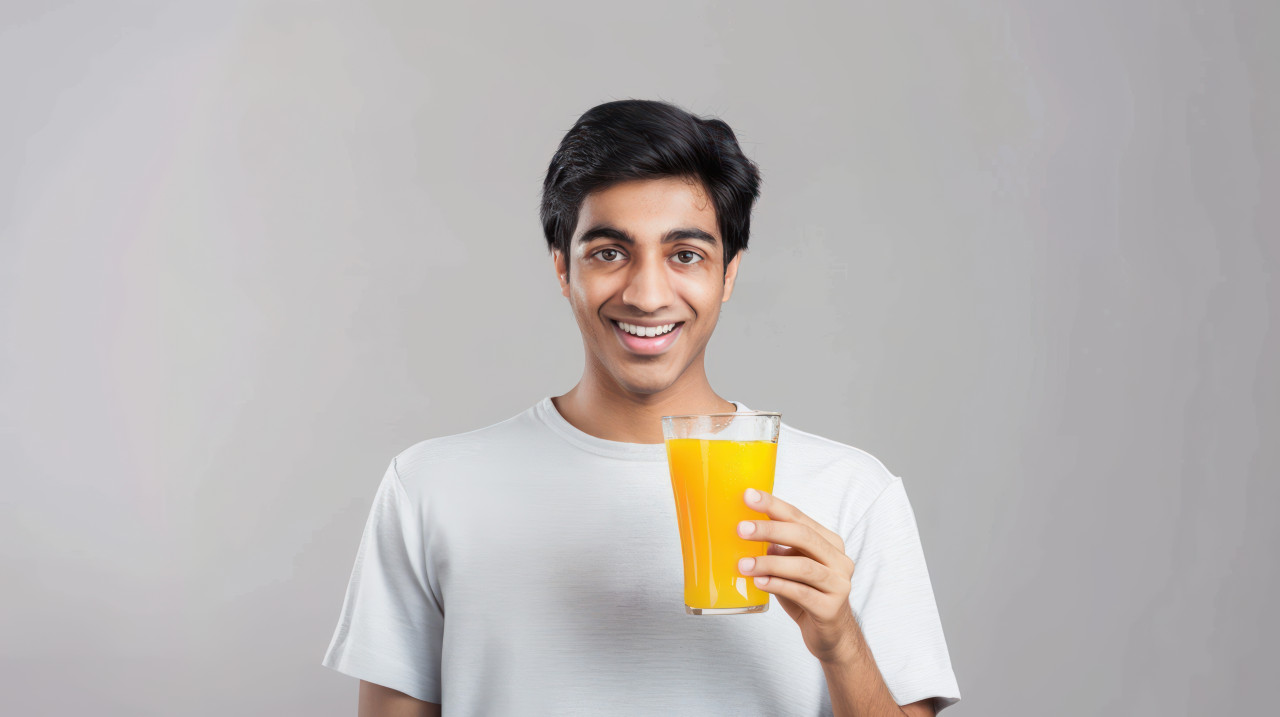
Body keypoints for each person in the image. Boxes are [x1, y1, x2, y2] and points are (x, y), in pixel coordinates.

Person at [321, 99, 961, 716]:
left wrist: (842, 644)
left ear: (729, 273)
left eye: (686, 255)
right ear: (561, 268)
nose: (648, 294)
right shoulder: (430, 488)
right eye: (608, 253)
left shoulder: (851, 494)